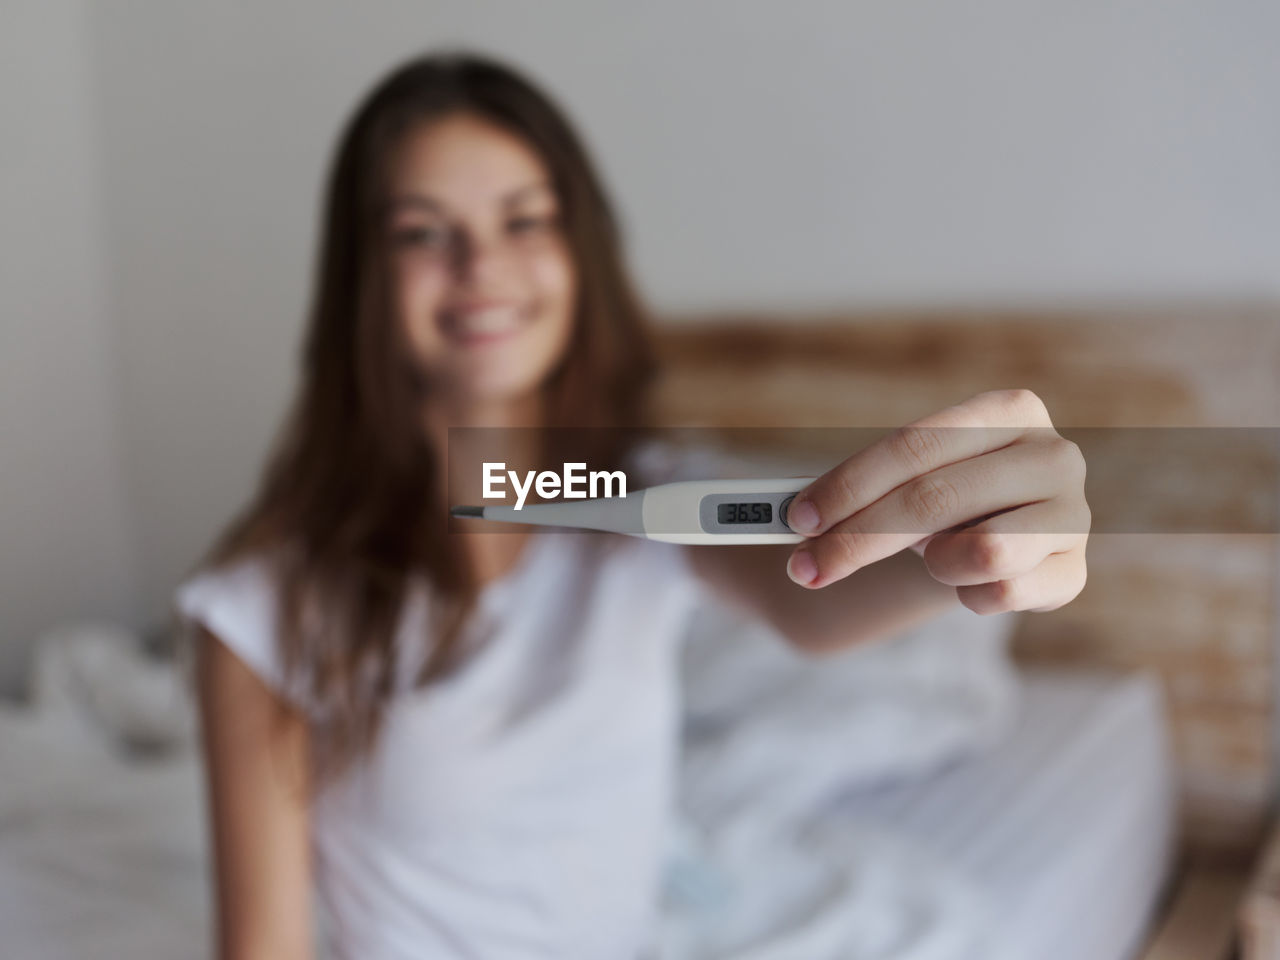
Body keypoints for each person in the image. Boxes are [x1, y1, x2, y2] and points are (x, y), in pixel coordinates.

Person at [174, 50, 1089, 960]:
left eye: (525, 220)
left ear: (582, 252)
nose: (481, 264)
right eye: (422, 232)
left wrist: (969, 551)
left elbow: (803, 589)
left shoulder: (633, 498)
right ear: (362, 280)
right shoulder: (265, 605)